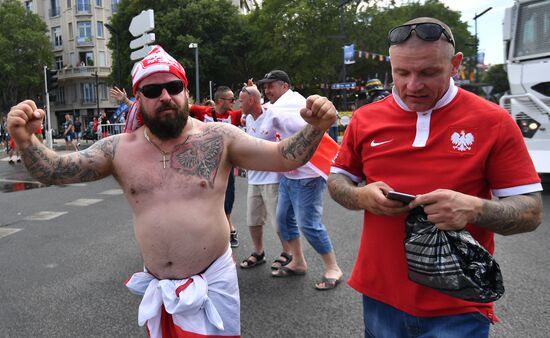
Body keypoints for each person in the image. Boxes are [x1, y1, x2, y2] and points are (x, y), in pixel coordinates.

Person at [7, 45, 337, 336]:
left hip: (213, 284)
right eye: (152, 91)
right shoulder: (118, 149)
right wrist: (24, 138)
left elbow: (281, 157)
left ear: (185, 91)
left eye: (173, 86)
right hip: (160, 290)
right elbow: (55, 171)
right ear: (139, 99)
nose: (165, 96)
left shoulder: (220, 137)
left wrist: (316, 126)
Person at [327, 17, 543, 337]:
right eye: (402, 73)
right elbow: (337, 181)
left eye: (428, 72)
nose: (413, 85)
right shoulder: (365, 119)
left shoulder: (494, 121)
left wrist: (475, 209)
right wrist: (360, 196)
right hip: (380, 297)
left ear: (455, 64)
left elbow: (531, 211)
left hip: (460, 303)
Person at [257, 70, 343, 290]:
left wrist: (258, 110)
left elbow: (266, 128)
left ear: (285, 86)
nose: (267, 91)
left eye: (271, 86)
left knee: (309, 223)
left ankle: (332, 267)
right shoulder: (276, 107)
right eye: (265, 87)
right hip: (289, 173)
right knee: (283, 219)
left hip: (308, 175)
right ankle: (298, 261)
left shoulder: (295, 103)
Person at [237, 85, 292, 270]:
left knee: (278, 222)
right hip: (254, 178)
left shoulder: (272, 114)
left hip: (273, 178)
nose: (239, 103)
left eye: (242, 100)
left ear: (252, 100)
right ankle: (258, 252)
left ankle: (288, 253)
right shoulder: (246, 118)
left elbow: (289, 132)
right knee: (253, 220)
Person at [190, 86, 244, 248]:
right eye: (231, 100)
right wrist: (127, 101)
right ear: (220, 101)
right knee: (202, 197)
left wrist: (251, 91)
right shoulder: (202, 112)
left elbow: (255, 108)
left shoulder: (234, 115)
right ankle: (205, 230)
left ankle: (229, 228)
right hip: (204, 165)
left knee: (227, 198)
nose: (234, 103)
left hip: (225, 166)